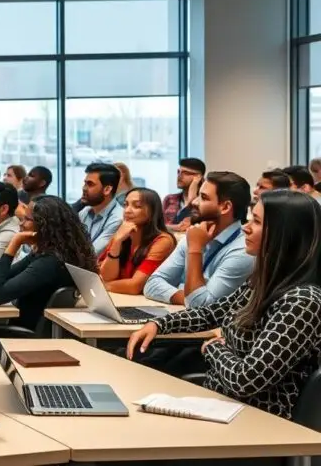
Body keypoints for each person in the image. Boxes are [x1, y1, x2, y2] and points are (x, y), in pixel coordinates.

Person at [129, 190, 321, 420]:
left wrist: (213, 349)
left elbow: (246, 380)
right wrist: (159, 324)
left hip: (261, 421)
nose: (246, 228)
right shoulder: (264, 281)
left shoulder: (302, 302)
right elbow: (213, 313)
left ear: (284, 234)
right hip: (221, 406)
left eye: (256, 222)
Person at [0, 196, 97, 332]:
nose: (20, 224)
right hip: (21, 325)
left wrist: (13, 245)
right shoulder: (51, 254)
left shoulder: (48, 264)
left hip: (22, 332)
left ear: (44, 226)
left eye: (27, 219)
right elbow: (8, 274)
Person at [143, 171, 254, 308]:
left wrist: (195, 249)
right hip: (183, 315)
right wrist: (188, 297)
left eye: (204, 198)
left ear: (225, 207)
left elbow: (202, 305)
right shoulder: (195, 234)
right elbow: (152, 284)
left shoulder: (244, 250)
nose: (194, 202)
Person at [98, 188, 176, 295]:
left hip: (148, 301)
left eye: (137, 206)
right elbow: (106, 276)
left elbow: (135, 286)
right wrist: (116, 243)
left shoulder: (163, 241)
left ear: (152, 212)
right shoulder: (121, 234)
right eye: (126, 205)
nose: (127, 210)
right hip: (120, 297)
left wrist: (104, 285)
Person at [79, 162, 124, 256]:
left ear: (107, 190)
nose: (84, 188)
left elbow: (93, 254)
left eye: (90, 184)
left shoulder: (118, 218)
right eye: (85, 183)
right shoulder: (85, 212)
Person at [163, 157, 206, 231]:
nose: (179, 176)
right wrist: (176, 227)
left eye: (186, 173)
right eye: (178, 172)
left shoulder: (204, 201)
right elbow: (158, 227)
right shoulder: (169, 199)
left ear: (199, 177)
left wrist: (192, 195)